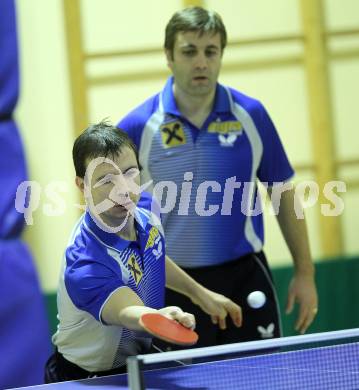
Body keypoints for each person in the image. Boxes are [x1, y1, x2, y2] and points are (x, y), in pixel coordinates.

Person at [118, 6, 318, 348]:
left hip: (245, 276)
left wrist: (305, 273)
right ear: (169, 56)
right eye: (189, 51)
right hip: (173, 284)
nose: (201, 63)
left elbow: (283, 194)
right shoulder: (138, 127)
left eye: (211, 52)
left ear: (221, 55)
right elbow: (115, 212)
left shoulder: (251, 116)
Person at [44, 121, 242, 382]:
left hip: (138, 361)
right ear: (82, 186)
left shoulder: (147, 210)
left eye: (129, 172)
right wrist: (156, 317)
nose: (124, 189)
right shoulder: (84, 263)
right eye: (106, 179)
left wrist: (199, 294)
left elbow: (152, 256)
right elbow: (125, 311)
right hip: (88, 377)